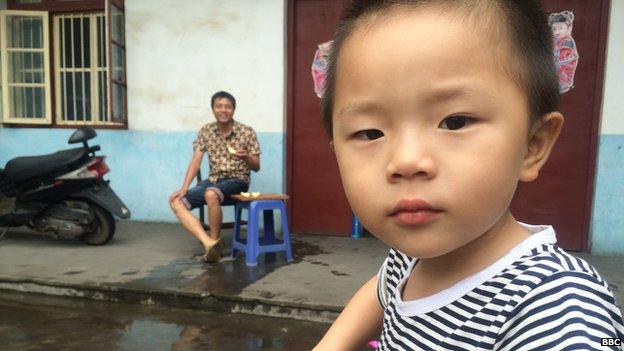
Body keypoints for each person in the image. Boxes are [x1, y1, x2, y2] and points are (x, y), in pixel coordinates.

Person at [313, 1, 624, 350]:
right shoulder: (411, 256)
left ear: (532, 145)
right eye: (370, 133)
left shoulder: (559, 310)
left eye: (455, 122)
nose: (406, 161)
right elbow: (379, 290)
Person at [169, 91, 260, 264]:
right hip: (213, 181)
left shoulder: (246, 132)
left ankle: (214, 242)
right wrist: (183, 188)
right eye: (219, 106)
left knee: (211, 193)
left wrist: (246, 157)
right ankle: (209, 243)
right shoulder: (206, 131)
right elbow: (196, 161)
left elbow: (256, 167)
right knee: (175, 201)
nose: (223, 110)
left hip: (237, 181)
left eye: (228, 106)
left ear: (233, 110)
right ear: (213, 109)